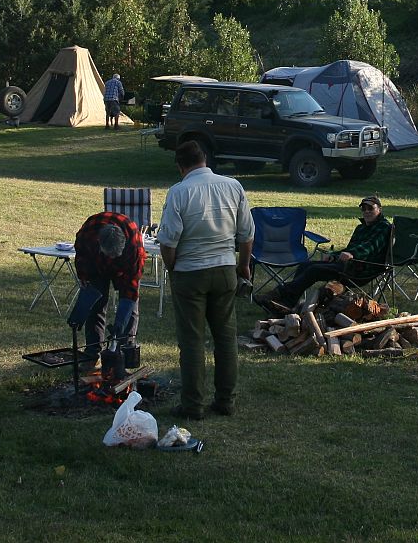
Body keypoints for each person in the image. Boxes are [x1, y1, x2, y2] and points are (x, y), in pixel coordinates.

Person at [156, 140, 253, 420]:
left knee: (192, 340)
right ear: (205, 159)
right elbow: (247, 233)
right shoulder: (233, 186)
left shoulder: (179, 191)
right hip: (224, 269)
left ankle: (193, 405)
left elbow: (169, 240)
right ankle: (226, 400)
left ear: (180, 166)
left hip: (190, 272)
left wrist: (172, 267)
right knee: (225, 338)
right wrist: (243, 265)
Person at [256, 195, 391, 313]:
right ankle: (288, 303)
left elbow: (371, 247)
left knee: (315, 270)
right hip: (349, 264)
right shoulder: (361, 228)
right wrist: (334, 255)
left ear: (379, 209)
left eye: (370, 208)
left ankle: (279, 294)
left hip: (363, 269)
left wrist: (352, 254)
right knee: (305, 265)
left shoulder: (384, 227)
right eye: (364, 209)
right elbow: (350, 249)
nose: (367, 212)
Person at [72, 208, 146, 367]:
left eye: (116, 255)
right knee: (95, 306)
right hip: (96, 265)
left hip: (124, 267)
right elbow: (81, 253)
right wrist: (83, 274)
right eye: (110, 254)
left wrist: (119, 322)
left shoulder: (134, 247)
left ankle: (123, 352)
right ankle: (92, 354)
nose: (113, 258)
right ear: (99, 244)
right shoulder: (88, 234)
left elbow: (130, 291)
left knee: (130, 311)